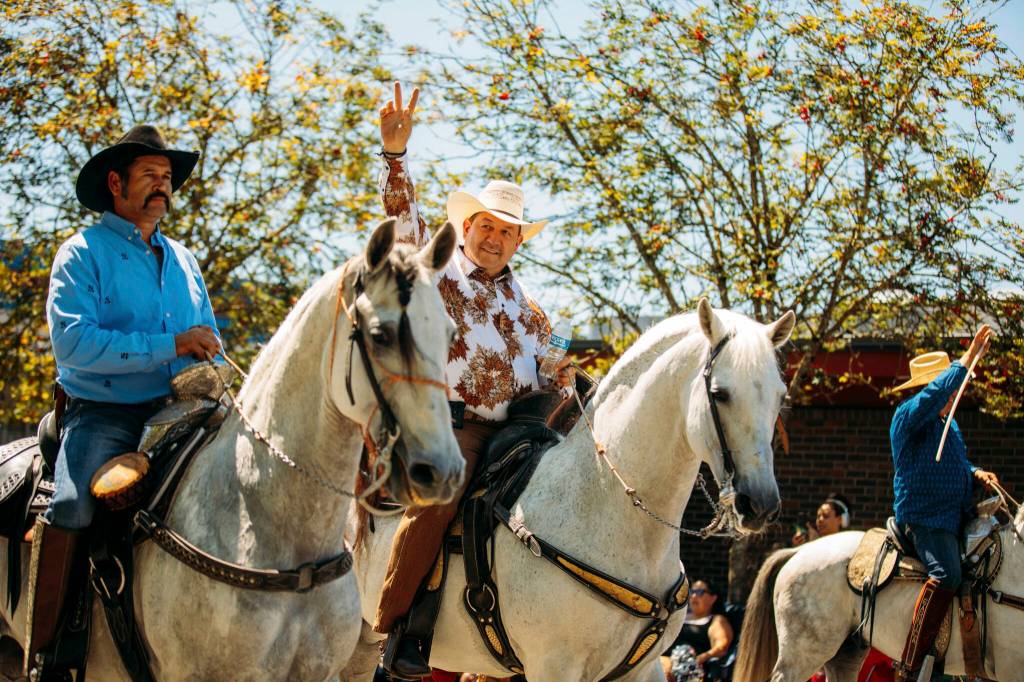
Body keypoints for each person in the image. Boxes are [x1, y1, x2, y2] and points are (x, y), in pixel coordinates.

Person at [373, 82, 574, 680]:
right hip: (449, 428)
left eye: (507, 231)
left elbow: (549, 374)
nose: (494, 237)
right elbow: (401, 224)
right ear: (466, 227)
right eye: (486, 225)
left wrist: (564, 382)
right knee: (441, 501)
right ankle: (398, 626)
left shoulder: (531, 308)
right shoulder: (435, 268)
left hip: (519, 436)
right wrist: (395, 157)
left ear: (517, 242)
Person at [25, 125, 222, 678]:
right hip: (104, 414)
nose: (163, 187)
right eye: (149, 176)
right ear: (116, 183)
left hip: (183, 410)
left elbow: (204, 336)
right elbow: (73, 344)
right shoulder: (82, 254)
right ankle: (54, 652)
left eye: (167, 178)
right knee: (70, 506)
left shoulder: (183, 259)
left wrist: (206, 354)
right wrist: (171, 343)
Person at [889, 324, 999, 681]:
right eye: (945, 387)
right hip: (925, 519)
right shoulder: (908, 416)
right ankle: (909, 663)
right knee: (947, 573)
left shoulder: (949, 426)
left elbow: (956, 464)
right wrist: (965, 361)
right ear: (928, 389)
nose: (953, 394)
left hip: (953, 517)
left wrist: (976, 472)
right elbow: (937, 393)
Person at [660, 579, 734, 681]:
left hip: (689, 670)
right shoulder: (678, 616)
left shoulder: (717, 620)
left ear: (713, 598)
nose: (694, 596)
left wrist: (699, 659)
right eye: (692, 592)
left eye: (700, 592)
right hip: (662, 660)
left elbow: (721, 647)